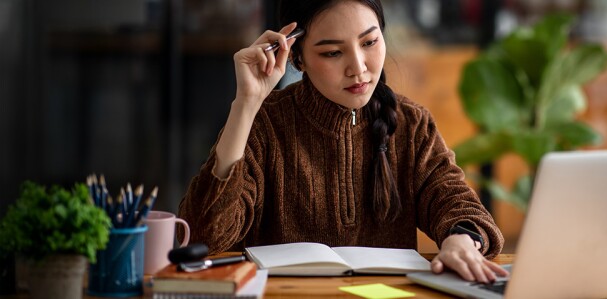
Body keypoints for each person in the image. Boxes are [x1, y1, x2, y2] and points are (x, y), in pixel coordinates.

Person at [178, 0, 508, 284]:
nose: (359, 68)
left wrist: (462, 239)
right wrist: (246, 104)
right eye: (333, 52)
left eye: (369, 42)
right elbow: (204, 237)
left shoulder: (411, 124)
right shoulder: (264, 124)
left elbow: (458, 205)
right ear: (297, 58)